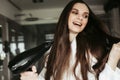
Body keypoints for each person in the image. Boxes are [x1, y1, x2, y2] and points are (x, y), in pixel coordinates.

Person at [20, 0, 120, 80]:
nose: (80, 17)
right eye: (75, 12)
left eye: (85, 16)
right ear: (66, 16)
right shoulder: (53, 52)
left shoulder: (91, 50)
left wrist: (112, 61)